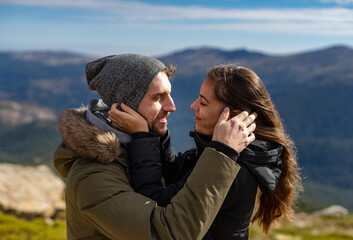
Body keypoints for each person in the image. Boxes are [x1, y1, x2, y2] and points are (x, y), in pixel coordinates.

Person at [53, 54, 257, 240]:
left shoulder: (132, 149)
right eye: (158, 98)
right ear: (123, 106)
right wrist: (222, 153)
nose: (172, 107)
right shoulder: (93, 176)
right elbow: (169, 233)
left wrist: (147, 136)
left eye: (169, 94)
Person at [109, 64, 302, 239]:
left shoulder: (233, 169)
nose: (193, 106)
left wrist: (141, 136)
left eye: (203, 103)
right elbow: (173, 176)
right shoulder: (220, 150)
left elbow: (153, 203)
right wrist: (158, 131)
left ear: (233, 116)